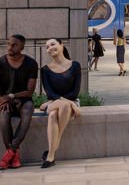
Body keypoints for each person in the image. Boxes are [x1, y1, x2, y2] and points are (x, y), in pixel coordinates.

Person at [0, 33, 38, 170]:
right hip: (4, 101)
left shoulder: (31, 64)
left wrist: (11, 96)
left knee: (28, 112)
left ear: (22, 47)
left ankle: (10, 151)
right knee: (4, 117)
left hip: (23, 100)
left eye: (14, 45)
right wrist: (1, 100)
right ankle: (13, 155)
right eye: (9, 44)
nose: (10, 47)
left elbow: (30, 91)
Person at [38, 39, 83, 169]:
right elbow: (50, 92)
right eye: (47, 47)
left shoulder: (75, 66)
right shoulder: (45, 69)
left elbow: (75, 92)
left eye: (53, 44)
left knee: (53, 116)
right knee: (63, 106)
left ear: (62, 46)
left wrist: (70, 102)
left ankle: (51, 154)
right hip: (54, 101)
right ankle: (53, 151)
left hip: (67, 101)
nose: (50, 48)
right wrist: (71, 104)